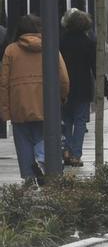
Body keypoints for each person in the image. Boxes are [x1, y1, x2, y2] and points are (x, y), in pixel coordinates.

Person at [0, 15, 70, 185]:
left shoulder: (11, 50)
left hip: (19, 105)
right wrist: (62, 97)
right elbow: (63, 78)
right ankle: (42, 159)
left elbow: (3, 83)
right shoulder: (51, 48)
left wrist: (5, 110)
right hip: (46, 104)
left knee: (23, 142)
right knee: (44, 136)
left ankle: (29, 177)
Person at [60, 9, 96, 167]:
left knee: (66, 120)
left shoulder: (61, 41)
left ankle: (66, 150)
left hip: (63, 86)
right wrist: (107, 89)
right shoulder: (88, 43)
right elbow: (95, 67)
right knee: (80, 121)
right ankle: (76, 155)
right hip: (82, 88)